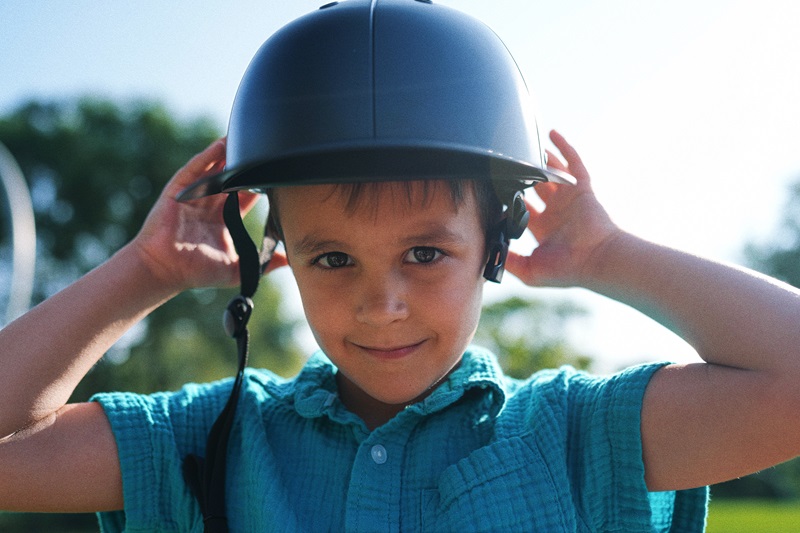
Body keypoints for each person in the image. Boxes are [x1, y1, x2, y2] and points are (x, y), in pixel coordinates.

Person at [2, 1, 800, 532]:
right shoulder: (209, 439)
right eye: (334, 257)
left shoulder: (574, 432)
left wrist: (612, 256)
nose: (380, 304)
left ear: (495, 243)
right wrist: (147, 269)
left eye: (425, 253)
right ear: (275, 253)